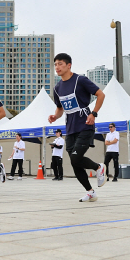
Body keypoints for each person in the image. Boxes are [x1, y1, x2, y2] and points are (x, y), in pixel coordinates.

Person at [48, 53, 107, 202]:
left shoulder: (80, 80)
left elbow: (101, 95)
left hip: (85, 124)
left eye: (60, 64)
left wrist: (94, 113)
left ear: (69, 65)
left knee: (75, 157)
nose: (57, 67)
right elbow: (60, 109)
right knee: (74, 162)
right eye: (55, 64)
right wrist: (55, 116)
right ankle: (90, 192)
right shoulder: (57, 88)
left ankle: (99, 167)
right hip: (70, 127)